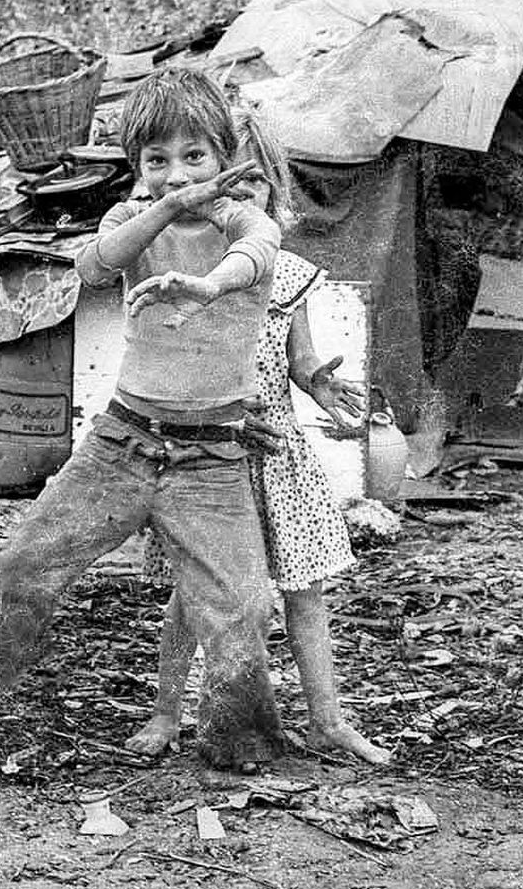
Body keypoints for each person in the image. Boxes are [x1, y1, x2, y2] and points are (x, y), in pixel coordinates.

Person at [0, 66, 287, 771]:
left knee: (244, 605)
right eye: (157, 159)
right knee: (25, 560)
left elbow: (255, 250)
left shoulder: (248, 221)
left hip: (211, 457)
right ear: (136, 166)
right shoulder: (130, 223)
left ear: (224, 158)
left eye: (195, 156)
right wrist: (167, 208)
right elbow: (95, 266)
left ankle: (238, 736)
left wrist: (207, 282)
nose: (176, 174)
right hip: (123, 443)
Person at [124, 107, 391, 765]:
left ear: (274, 196)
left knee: (305, 591)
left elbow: (300, 362)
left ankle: (329, 720)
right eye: (228, 191)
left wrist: (324, 386)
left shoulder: (289, 275)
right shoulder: (185, 278)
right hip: (210, 462)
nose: (241, 202)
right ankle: (165, 714)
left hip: (280, 464)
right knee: (192, 598)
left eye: (255, 191)